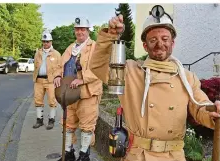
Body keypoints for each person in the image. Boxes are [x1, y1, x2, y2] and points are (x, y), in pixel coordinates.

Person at [89, 6, 220, 161]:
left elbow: (200, 107)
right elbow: (97, 66)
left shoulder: (187, 77)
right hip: (138, 156)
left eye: (165, 39)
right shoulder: (129, 71)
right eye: (153, 40)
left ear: (173, 43)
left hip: (174, 156)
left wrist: (213, 113)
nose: (159, 44)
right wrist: (109, 36)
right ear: (145, 46)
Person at [54, 17, 102, 161]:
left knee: (87, 126)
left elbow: (100, 68)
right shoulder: (70, 48)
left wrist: (83, 79)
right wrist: (57, 75)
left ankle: (84, 155)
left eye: (83, 29)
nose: (79, 32)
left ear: (88, 31)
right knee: (67, 124)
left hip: (87, 93)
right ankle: (68, 154)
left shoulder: (95, 47)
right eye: (77, 29)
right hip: (69, 95)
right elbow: (59, 65)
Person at [33, 31, 61, 130]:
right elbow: (35, 66)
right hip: (39, 80)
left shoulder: (56, 54)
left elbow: (60, 68)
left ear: (51, 42)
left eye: (47, 41)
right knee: (38, 100)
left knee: (52, 101)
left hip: (50, 81)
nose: (45, 43)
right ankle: (39, 120)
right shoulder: (38, 53)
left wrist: (57, 77)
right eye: (44, 41)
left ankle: (51, 120)